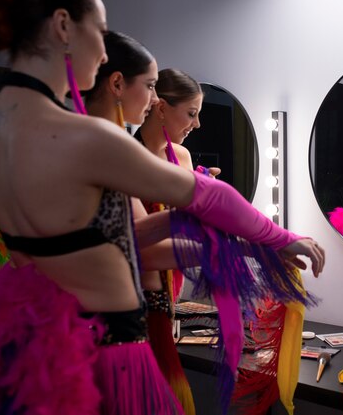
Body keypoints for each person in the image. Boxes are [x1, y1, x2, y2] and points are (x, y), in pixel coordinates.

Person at [0, 0, 325, 415]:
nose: (104, 52)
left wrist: (228, 242)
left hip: (50, 349)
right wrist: (281, 238)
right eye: (100, 29)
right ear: (63, 26)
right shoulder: (82, 136)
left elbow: (100, 241)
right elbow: (208, 195)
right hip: (113, 354)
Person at [84, 31, 197, 414]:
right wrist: (224, 243)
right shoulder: (113, 153)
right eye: (149, 87)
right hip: (126, 314)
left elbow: (141, 232)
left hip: (157, 304)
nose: (151, 99)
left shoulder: (169, 155)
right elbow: (140, 243)